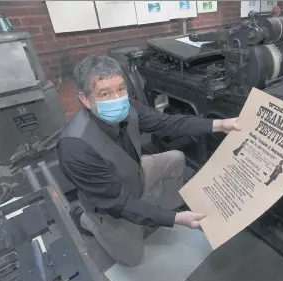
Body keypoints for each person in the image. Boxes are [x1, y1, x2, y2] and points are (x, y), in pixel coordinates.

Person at [57, 55, 241, 266]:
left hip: (134, 173)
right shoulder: (75, 146)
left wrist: (218, 124)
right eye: (105, 94)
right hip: (110, 204)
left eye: (121, 89)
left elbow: (168, 123)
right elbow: (119, 203)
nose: (117, 98)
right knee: (133, 259)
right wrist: (173, 220)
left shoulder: (129, 108)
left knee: (175, 159)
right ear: (85, 99)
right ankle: (86, 220)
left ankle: (164, 211)